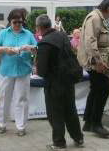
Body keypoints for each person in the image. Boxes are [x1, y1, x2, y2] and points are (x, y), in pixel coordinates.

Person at [36, 14, 84, 150]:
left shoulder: (45, 42)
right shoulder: (62, 36)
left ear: (39, 27)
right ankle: (78, 138)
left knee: (55, 113)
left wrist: (37, 62)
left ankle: (59, 142)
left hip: (54, 83)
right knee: (70, 110)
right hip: (68, 80)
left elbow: (42, 71)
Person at [0, 9, 37, 136]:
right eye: (15, 22)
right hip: (6, 70)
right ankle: (2, 124)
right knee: (4, 98)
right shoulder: (3, 33)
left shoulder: (28, 34)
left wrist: (31, 48)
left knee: (22, 99)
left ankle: (21, 126)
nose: (17, 24)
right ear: (10, 21)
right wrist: (5, 49)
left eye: (20, 22)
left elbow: (37, 48)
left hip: (23, 70)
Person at [77, 0, 109, 138]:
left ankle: (88, 122)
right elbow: (90, 41)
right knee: (104, 88)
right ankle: (96, 124)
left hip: (97, 61)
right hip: (96, 62)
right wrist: (97, 61)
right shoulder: (95, 18)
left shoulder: (97, 17)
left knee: (96, 89)